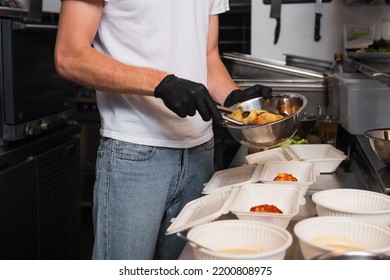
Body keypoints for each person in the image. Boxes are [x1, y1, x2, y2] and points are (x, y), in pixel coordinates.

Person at [55, 0, 272, 260]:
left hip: (200, 153)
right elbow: (69, 55)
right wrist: (161, 83)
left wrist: (234, 99)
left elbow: (208, 56)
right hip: (135, 154)